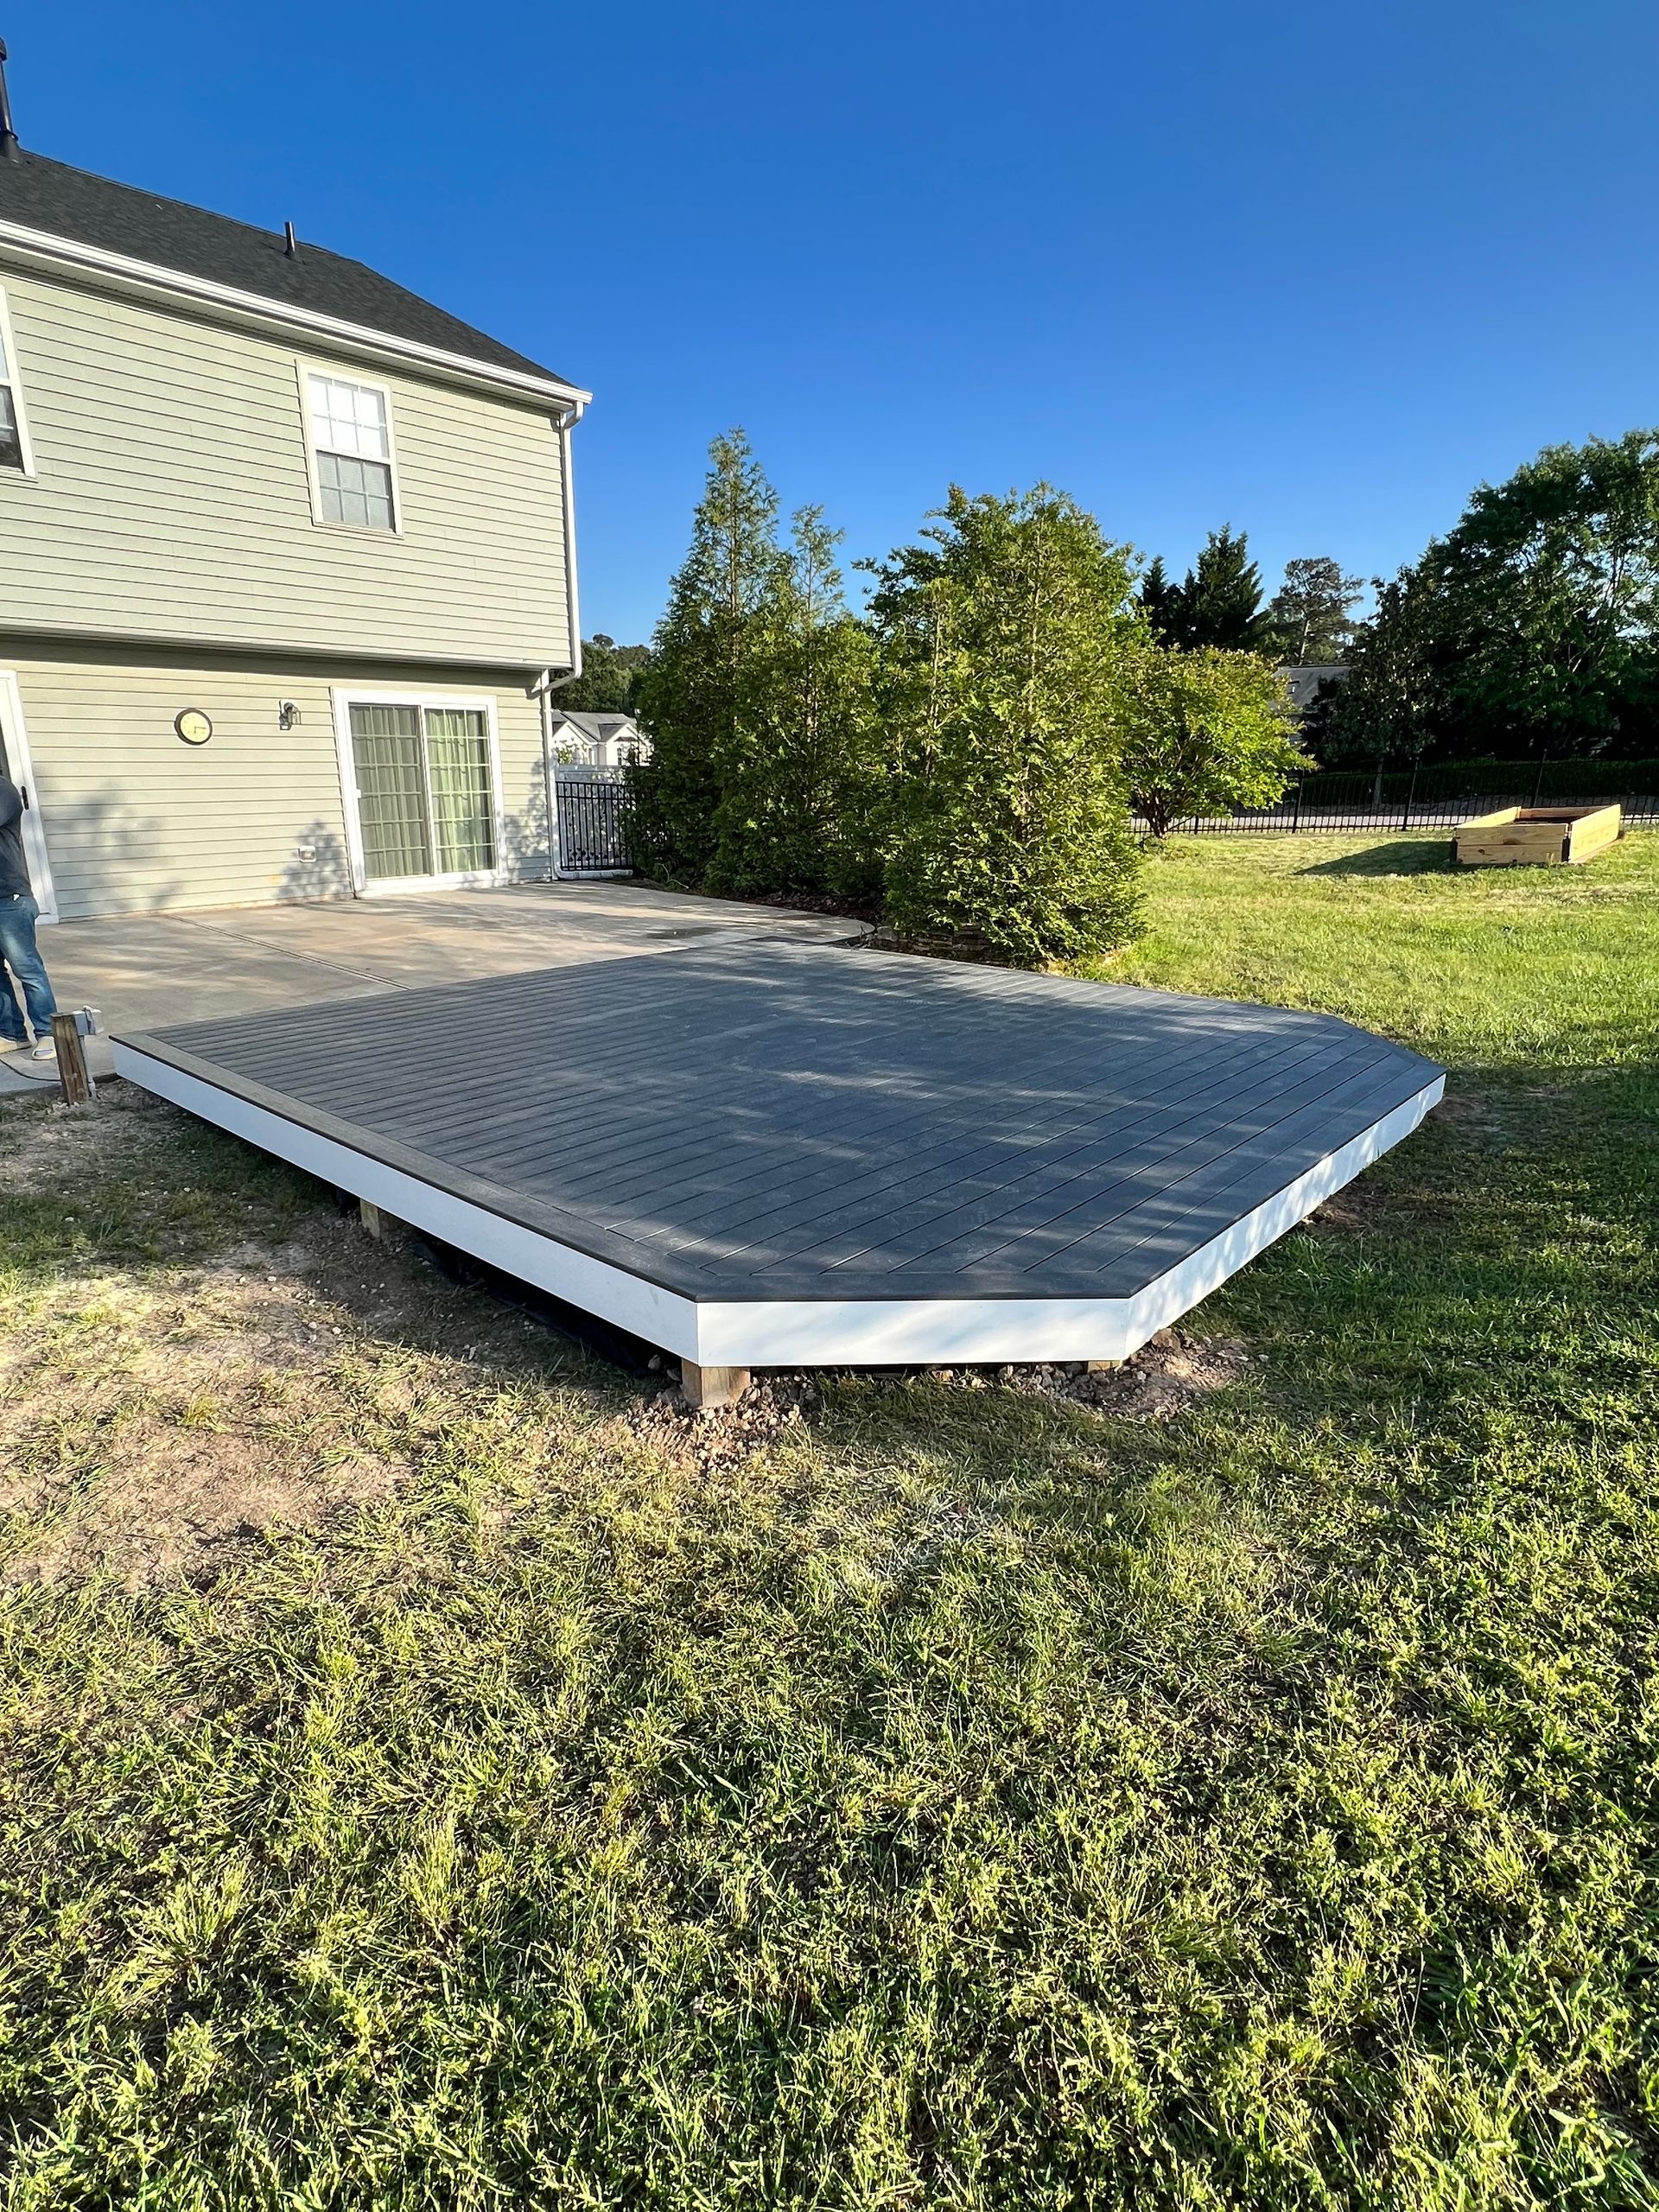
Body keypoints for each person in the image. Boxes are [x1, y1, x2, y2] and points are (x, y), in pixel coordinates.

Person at [0, 770, 58, 1060]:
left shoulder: (4, 790)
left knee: (28, 970)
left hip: (9, 899)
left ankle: (49, 1032)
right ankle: (12, 1034)